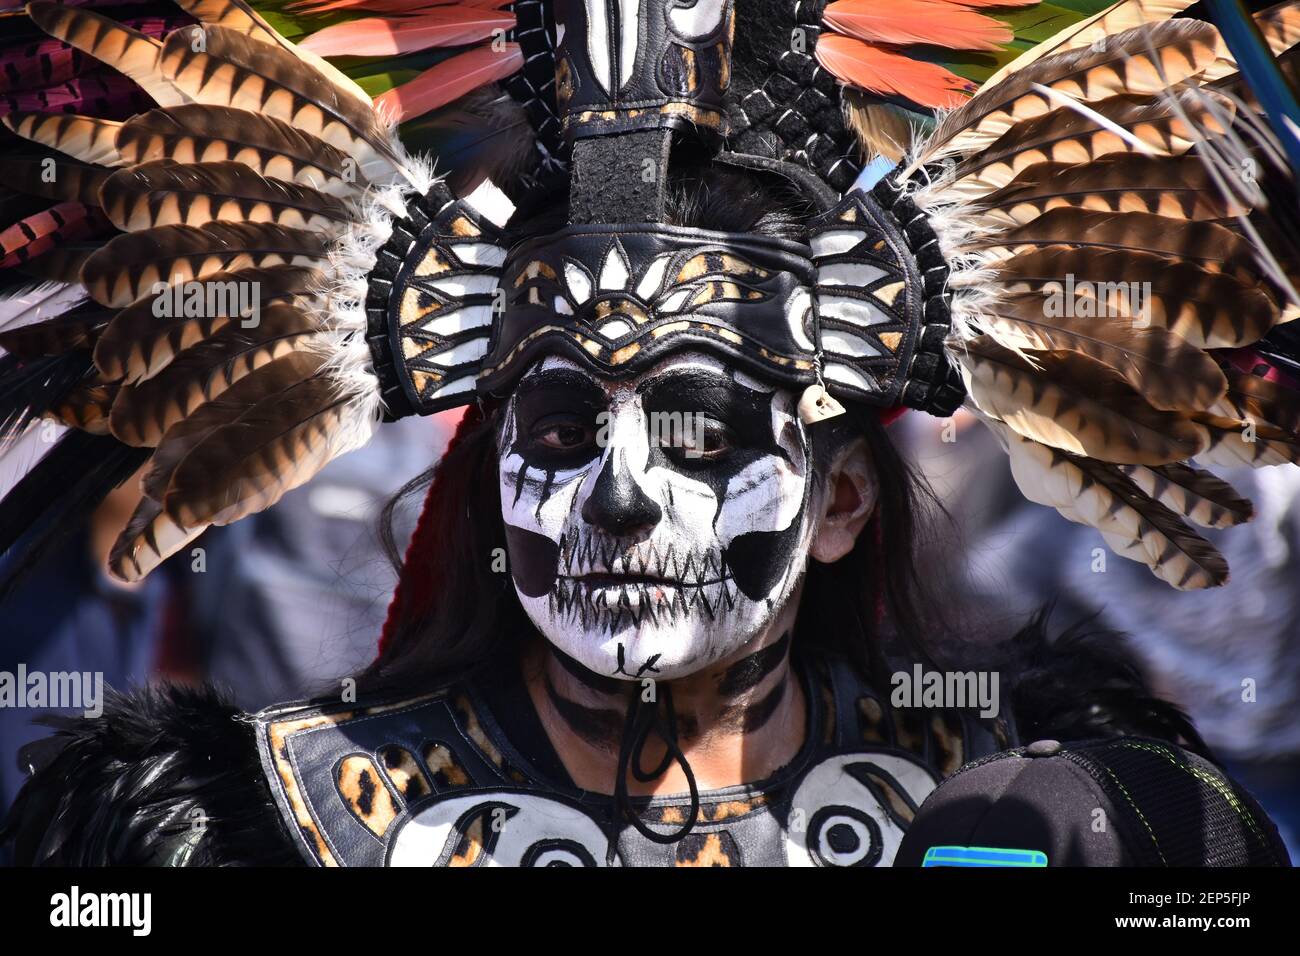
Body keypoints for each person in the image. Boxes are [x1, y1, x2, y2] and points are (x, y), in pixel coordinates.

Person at [0, 0, 1295, 866]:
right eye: (563, 427)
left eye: (701, 431)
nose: (620, 500)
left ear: (841, 507)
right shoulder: (255, 828)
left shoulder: (1034, 781)